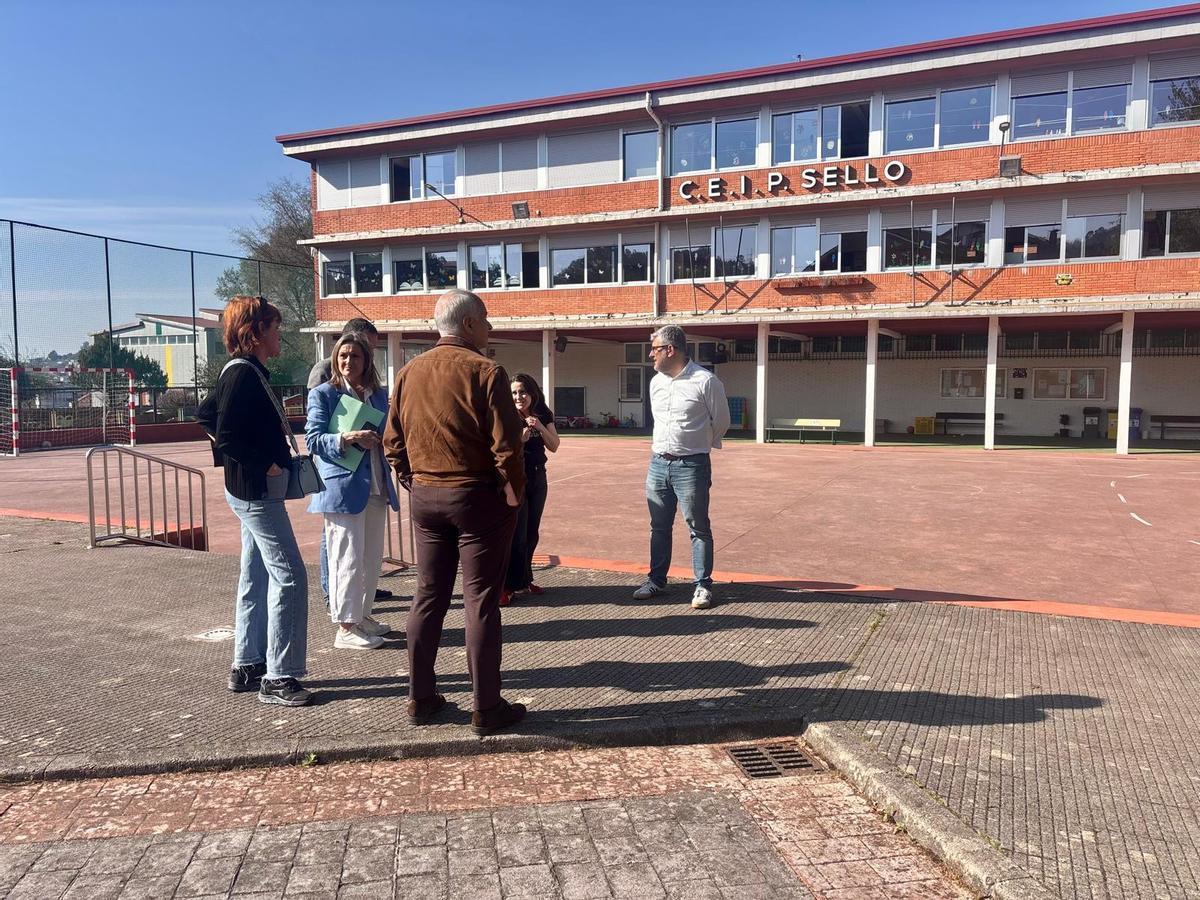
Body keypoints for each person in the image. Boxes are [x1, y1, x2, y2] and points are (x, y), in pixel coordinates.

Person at [383, 288, 528, 736]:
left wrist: (411, 479)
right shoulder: (487, 371)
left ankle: (420, 697)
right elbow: (507, 447)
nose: (490, 327)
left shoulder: (408, 371)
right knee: (480, 599)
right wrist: (514, 495)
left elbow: (392, 441)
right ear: (467, 324)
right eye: (485, 319)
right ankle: (486, 706)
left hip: (426, 495)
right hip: (476, 496)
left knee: (429, 595)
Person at [197, 296, 312, 707]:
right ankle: (279, 675)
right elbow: (225, 433)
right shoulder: (243, 374)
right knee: (291, 577)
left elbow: (206, 415)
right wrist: (266, 465)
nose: (279, 334)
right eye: (274, 326)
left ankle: (247, 664)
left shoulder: (242, 371)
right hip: (257, 494)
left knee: (256, 574)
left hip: (248, 491)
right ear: (256, 331)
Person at [305, 333, 399, 651]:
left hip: (376, 484)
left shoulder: (378, 395)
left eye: (354, 356)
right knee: (346, 558)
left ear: (366, 360)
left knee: (371, 559)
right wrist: (348, 437)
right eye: (343, 355)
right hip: (342, 488)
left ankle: (362, 616)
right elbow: (313, 440)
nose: (348, 361)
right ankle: (345, 627)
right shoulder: (324, 394)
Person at [632, 324, 731, 610]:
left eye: (654, 349)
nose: (650, 355)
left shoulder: (706, 381)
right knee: (659, 526)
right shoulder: (656, 382)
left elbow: (721, 422)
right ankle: (656, 580)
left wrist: (698, 446)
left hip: (692, 465)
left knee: (698, 527)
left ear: (670, 350)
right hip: (658, 464)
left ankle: (702, 585)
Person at [501, 373, 559, 606]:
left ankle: (524, 579)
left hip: (537, 476)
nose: (519, 397)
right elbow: (500, 449)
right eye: (514, 393)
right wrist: (520, 440)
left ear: (532, 393)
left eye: (523, 392)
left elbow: (554, 445)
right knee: (517, 533)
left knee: (531, 532)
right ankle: (507, 585)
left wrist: (540, 427)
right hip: (516, 479)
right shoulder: (506, 415)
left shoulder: (543, 413)